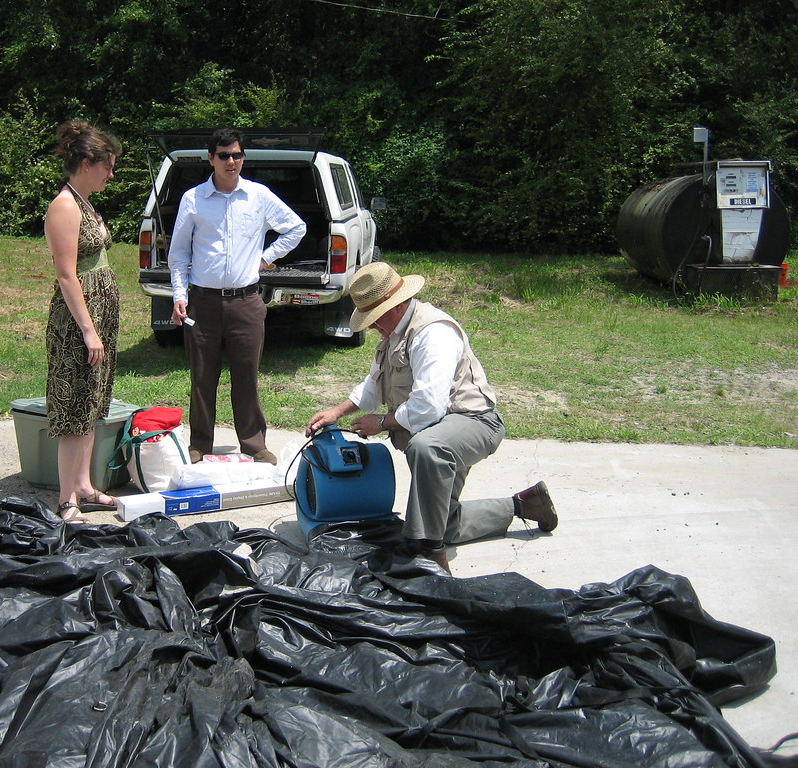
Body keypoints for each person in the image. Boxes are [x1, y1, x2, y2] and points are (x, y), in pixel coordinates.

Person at [306, 262, 557, 574]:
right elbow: (374, 384)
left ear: (393, 307)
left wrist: (381, 423)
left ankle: (429, 552)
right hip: (442, 428)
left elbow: (428, 407)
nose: (371, 327)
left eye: (373, 319)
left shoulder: (432, 333)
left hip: (475, 423)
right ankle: (524, 505)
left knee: (427, 449)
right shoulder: (393, 335)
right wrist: (337, 411)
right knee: (443, 522)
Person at [168, 128, 306, 465]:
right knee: (202, 377)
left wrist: (266, 257)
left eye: (237, 155)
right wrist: (178, 294)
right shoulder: (193, 199)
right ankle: (200, 443)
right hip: (202, 301)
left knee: (247, 375)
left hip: (246, 301)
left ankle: (254, 444)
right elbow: (178, 254)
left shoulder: (258, 196)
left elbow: (296, 227)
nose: (232, 161)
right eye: (224, 155)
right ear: (211, 158)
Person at [44, 120, 122, 523]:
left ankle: (85, 486)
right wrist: (89, 330)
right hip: (78, 322)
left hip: (98, 316)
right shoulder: (64, 206)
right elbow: (66, 274)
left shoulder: (85, 202)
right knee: (75, 403)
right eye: (107, 166)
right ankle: (65, 498)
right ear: (87, 162)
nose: (111, 174)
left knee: (91, 403)